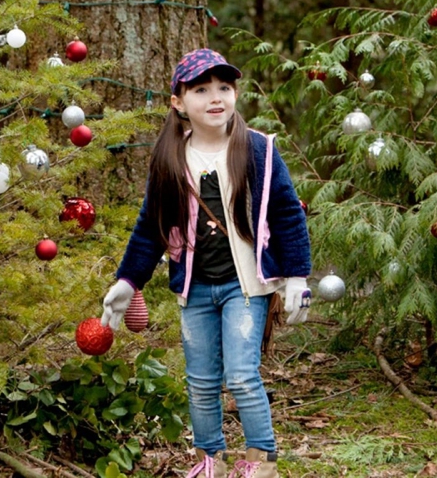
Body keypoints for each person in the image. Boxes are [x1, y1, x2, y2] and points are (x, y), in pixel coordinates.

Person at [100, 49, 312, 478]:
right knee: (200, 380)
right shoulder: (170, 159)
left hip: (245, 287)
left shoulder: (257, 150)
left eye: (224, 88)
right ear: (178, 102)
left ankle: (260, 461)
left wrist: (296, 276)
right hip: (194, 288)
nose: (216, 98)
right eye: (201, 90)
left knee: (241, 374)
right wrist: (128, 280)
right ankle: (209, 459)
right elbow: (150, 227)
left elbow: (287, 214)